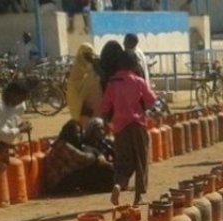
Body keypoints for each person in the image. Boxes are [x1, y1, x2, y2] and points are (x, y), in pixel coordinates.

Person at [101, 51, 156, 206]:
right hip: (137, 125)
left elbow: (104, 106)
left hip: (120, 127)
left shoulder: (112, 83)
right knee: (141, 160)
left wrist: (107, 123)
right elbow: (151, 100)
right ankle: (138, 196)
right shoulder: (138, 81)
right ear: (133, 65)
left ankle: (119, 184)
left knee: (124, 160)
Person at [44, 118, 115, 195]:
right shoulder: (63, 146)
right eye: (77, 133)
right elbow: (85, 159)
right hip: (57, 184)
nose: (79, 135)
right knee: (87, 171)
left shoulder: (67, 144)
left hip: (65, 178)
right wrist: (96, 155)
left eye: (80, 133)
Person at [66, 43, 103, 128]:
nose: (89, 57)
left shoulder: (94, 69)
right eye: (86, 55)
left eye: (91, 54)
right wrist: (81, 108)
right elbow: (72, 95)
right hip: (84, 113)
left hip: (97, 109)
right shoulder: (75, 73)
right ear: (80, 55)